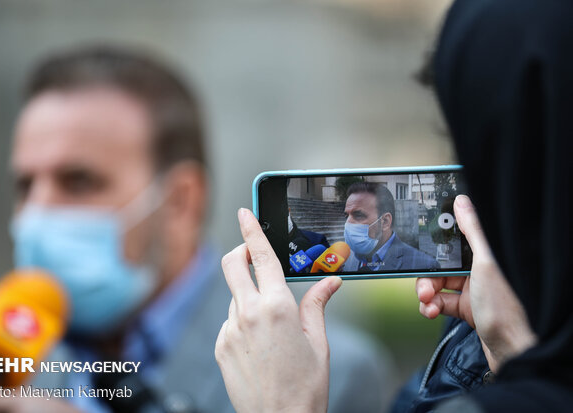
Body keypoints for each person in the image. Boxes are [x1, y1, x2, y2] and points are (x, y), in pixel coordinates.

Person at [0, 45, 390, 413]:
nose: (38, 211)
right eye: (25, 185)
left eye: (78, 181)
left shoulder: (321, 371)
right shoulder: (1, 359)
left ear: (181, 201)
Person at [215, 0, 573, 411]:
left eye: (477, 148)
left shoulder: (415, 265)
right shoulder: (485, 336)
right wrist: (518, 358)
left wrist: (286, 405)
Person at [342, 182, 439, 272]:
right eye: (347, 216)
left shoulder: (425, 265)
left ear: (385, 221)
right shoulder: (346, 258)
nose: (348, 223)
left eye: (358, 215)